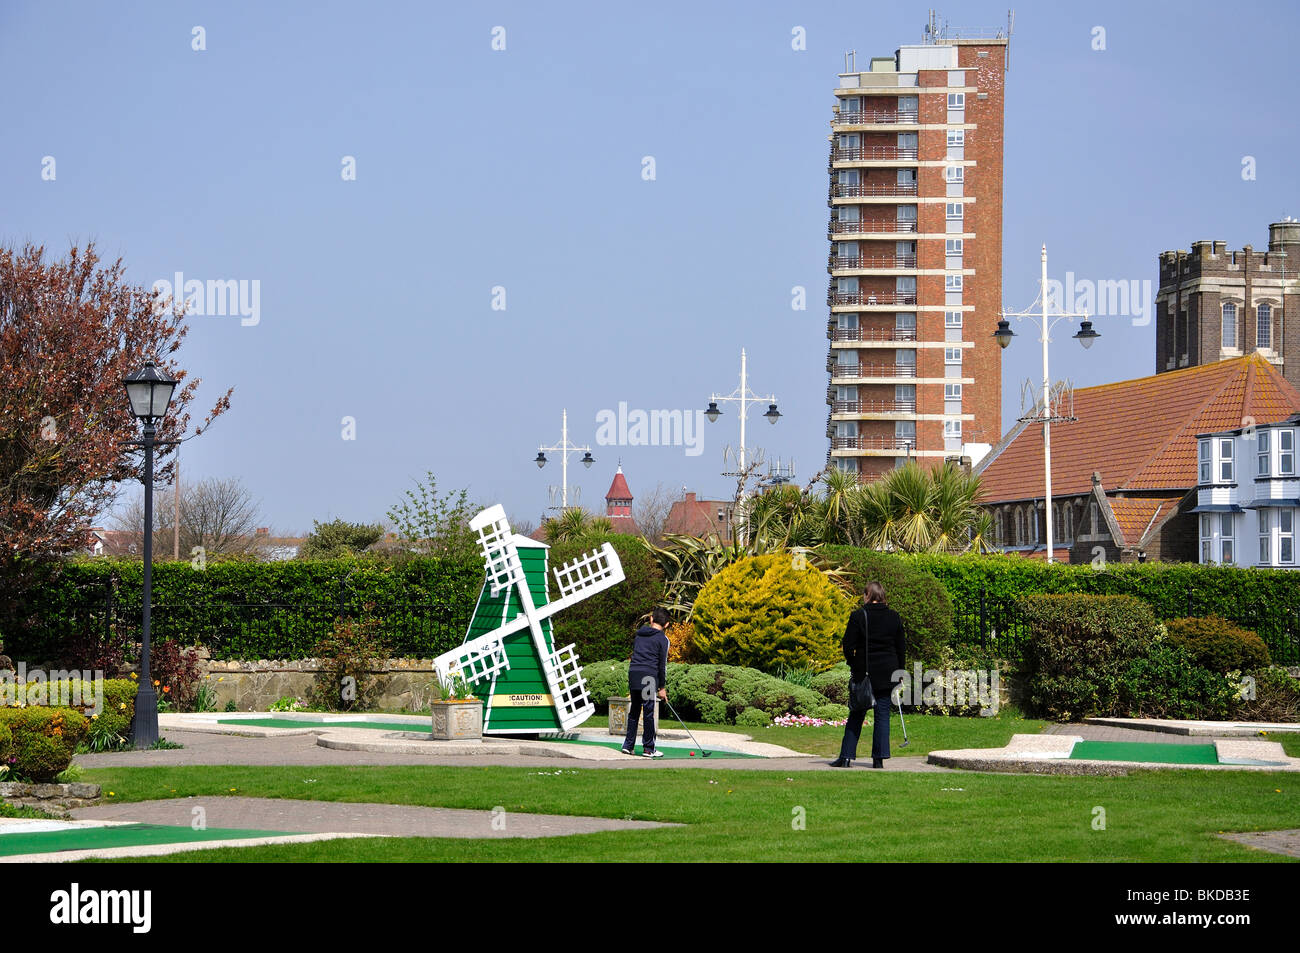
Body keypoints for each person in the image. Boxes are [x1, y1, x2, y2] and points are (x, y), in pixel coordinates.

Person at [831, 581, 906, 768]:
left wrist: (852, 662)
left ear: (867, 595)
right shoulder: (894, 617)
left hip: (864, 672)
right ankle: (878, 760)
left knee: (856, 713)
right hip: (888, 672)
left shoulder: (858, 616)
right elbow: (900, 647)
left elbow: (848, 645)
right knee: (882, 715)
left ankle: (846, 757)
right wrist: (900, 671)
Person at [623, 607, 670, 758]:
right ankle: (649, 749)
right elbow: (661, 665)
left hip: (634, 674)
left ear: (651, 619)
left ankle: (628, 745)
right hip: (648, 678)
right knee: (649, 712)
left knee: (635, 710)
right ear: (667, 624)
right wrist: (662, 687)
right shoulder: (663, 639)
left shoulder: (639, 635)